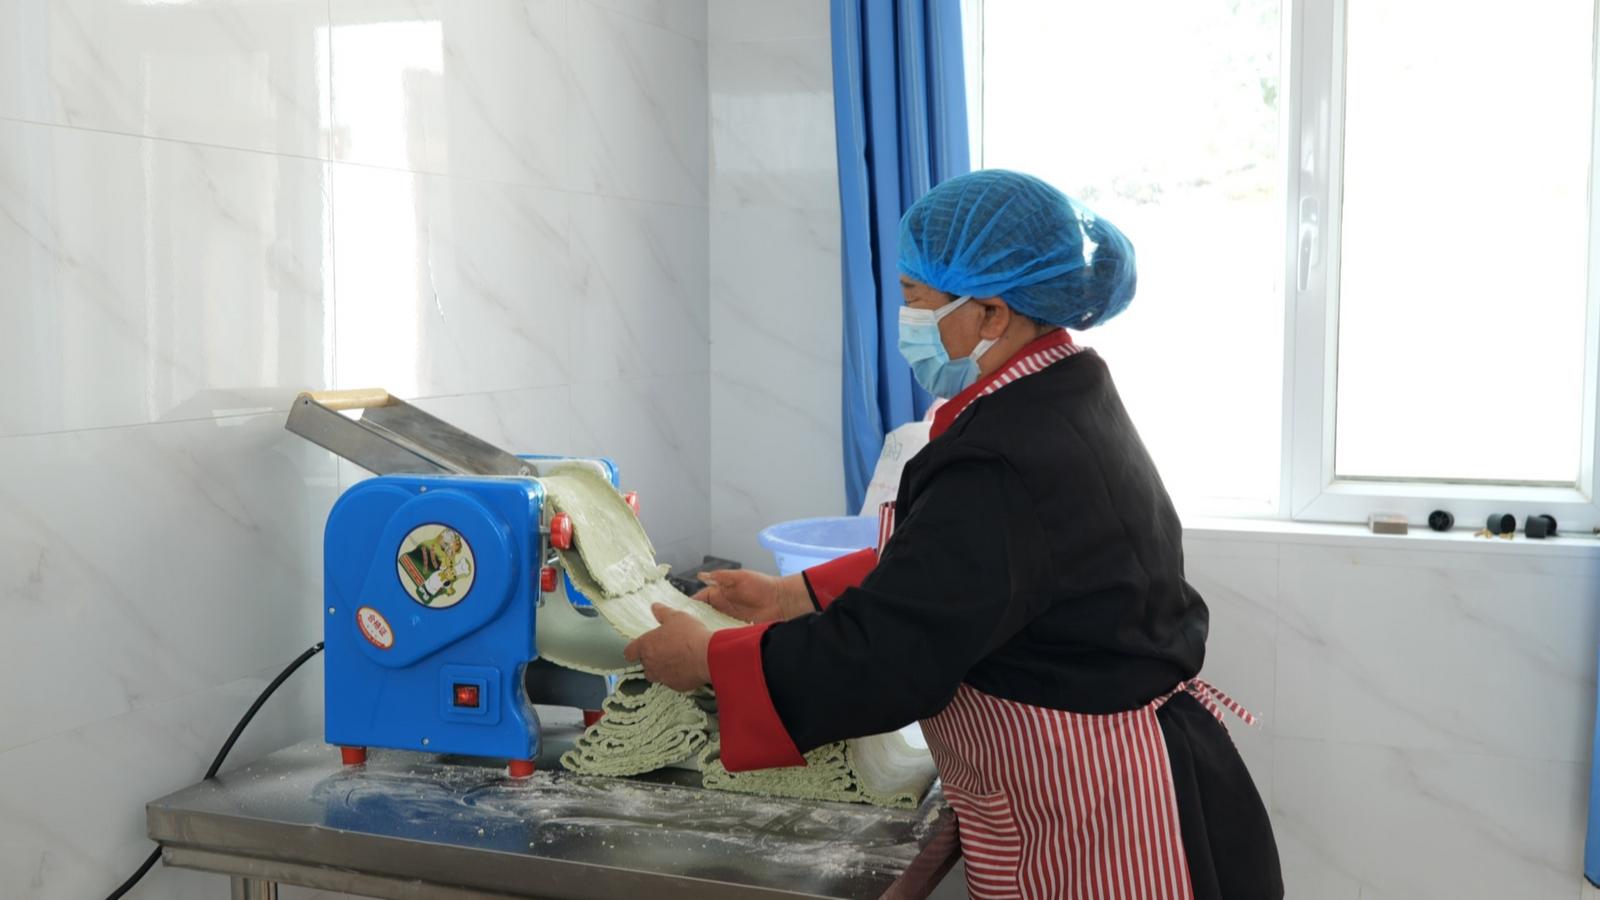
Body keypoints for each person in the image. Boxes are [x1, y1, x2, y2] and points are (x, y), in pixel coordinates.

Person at [622, 169, 1282, 900]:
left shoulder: (1008, 450)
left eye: (916, 298)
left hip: (1104, 825)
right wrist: (791, 596)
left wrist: (709, 660)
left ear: (991, 314)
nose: (904, 318)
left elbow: (888, 654)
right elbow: (965, 566)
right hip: (1103, 786)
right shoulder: (1058, 391)